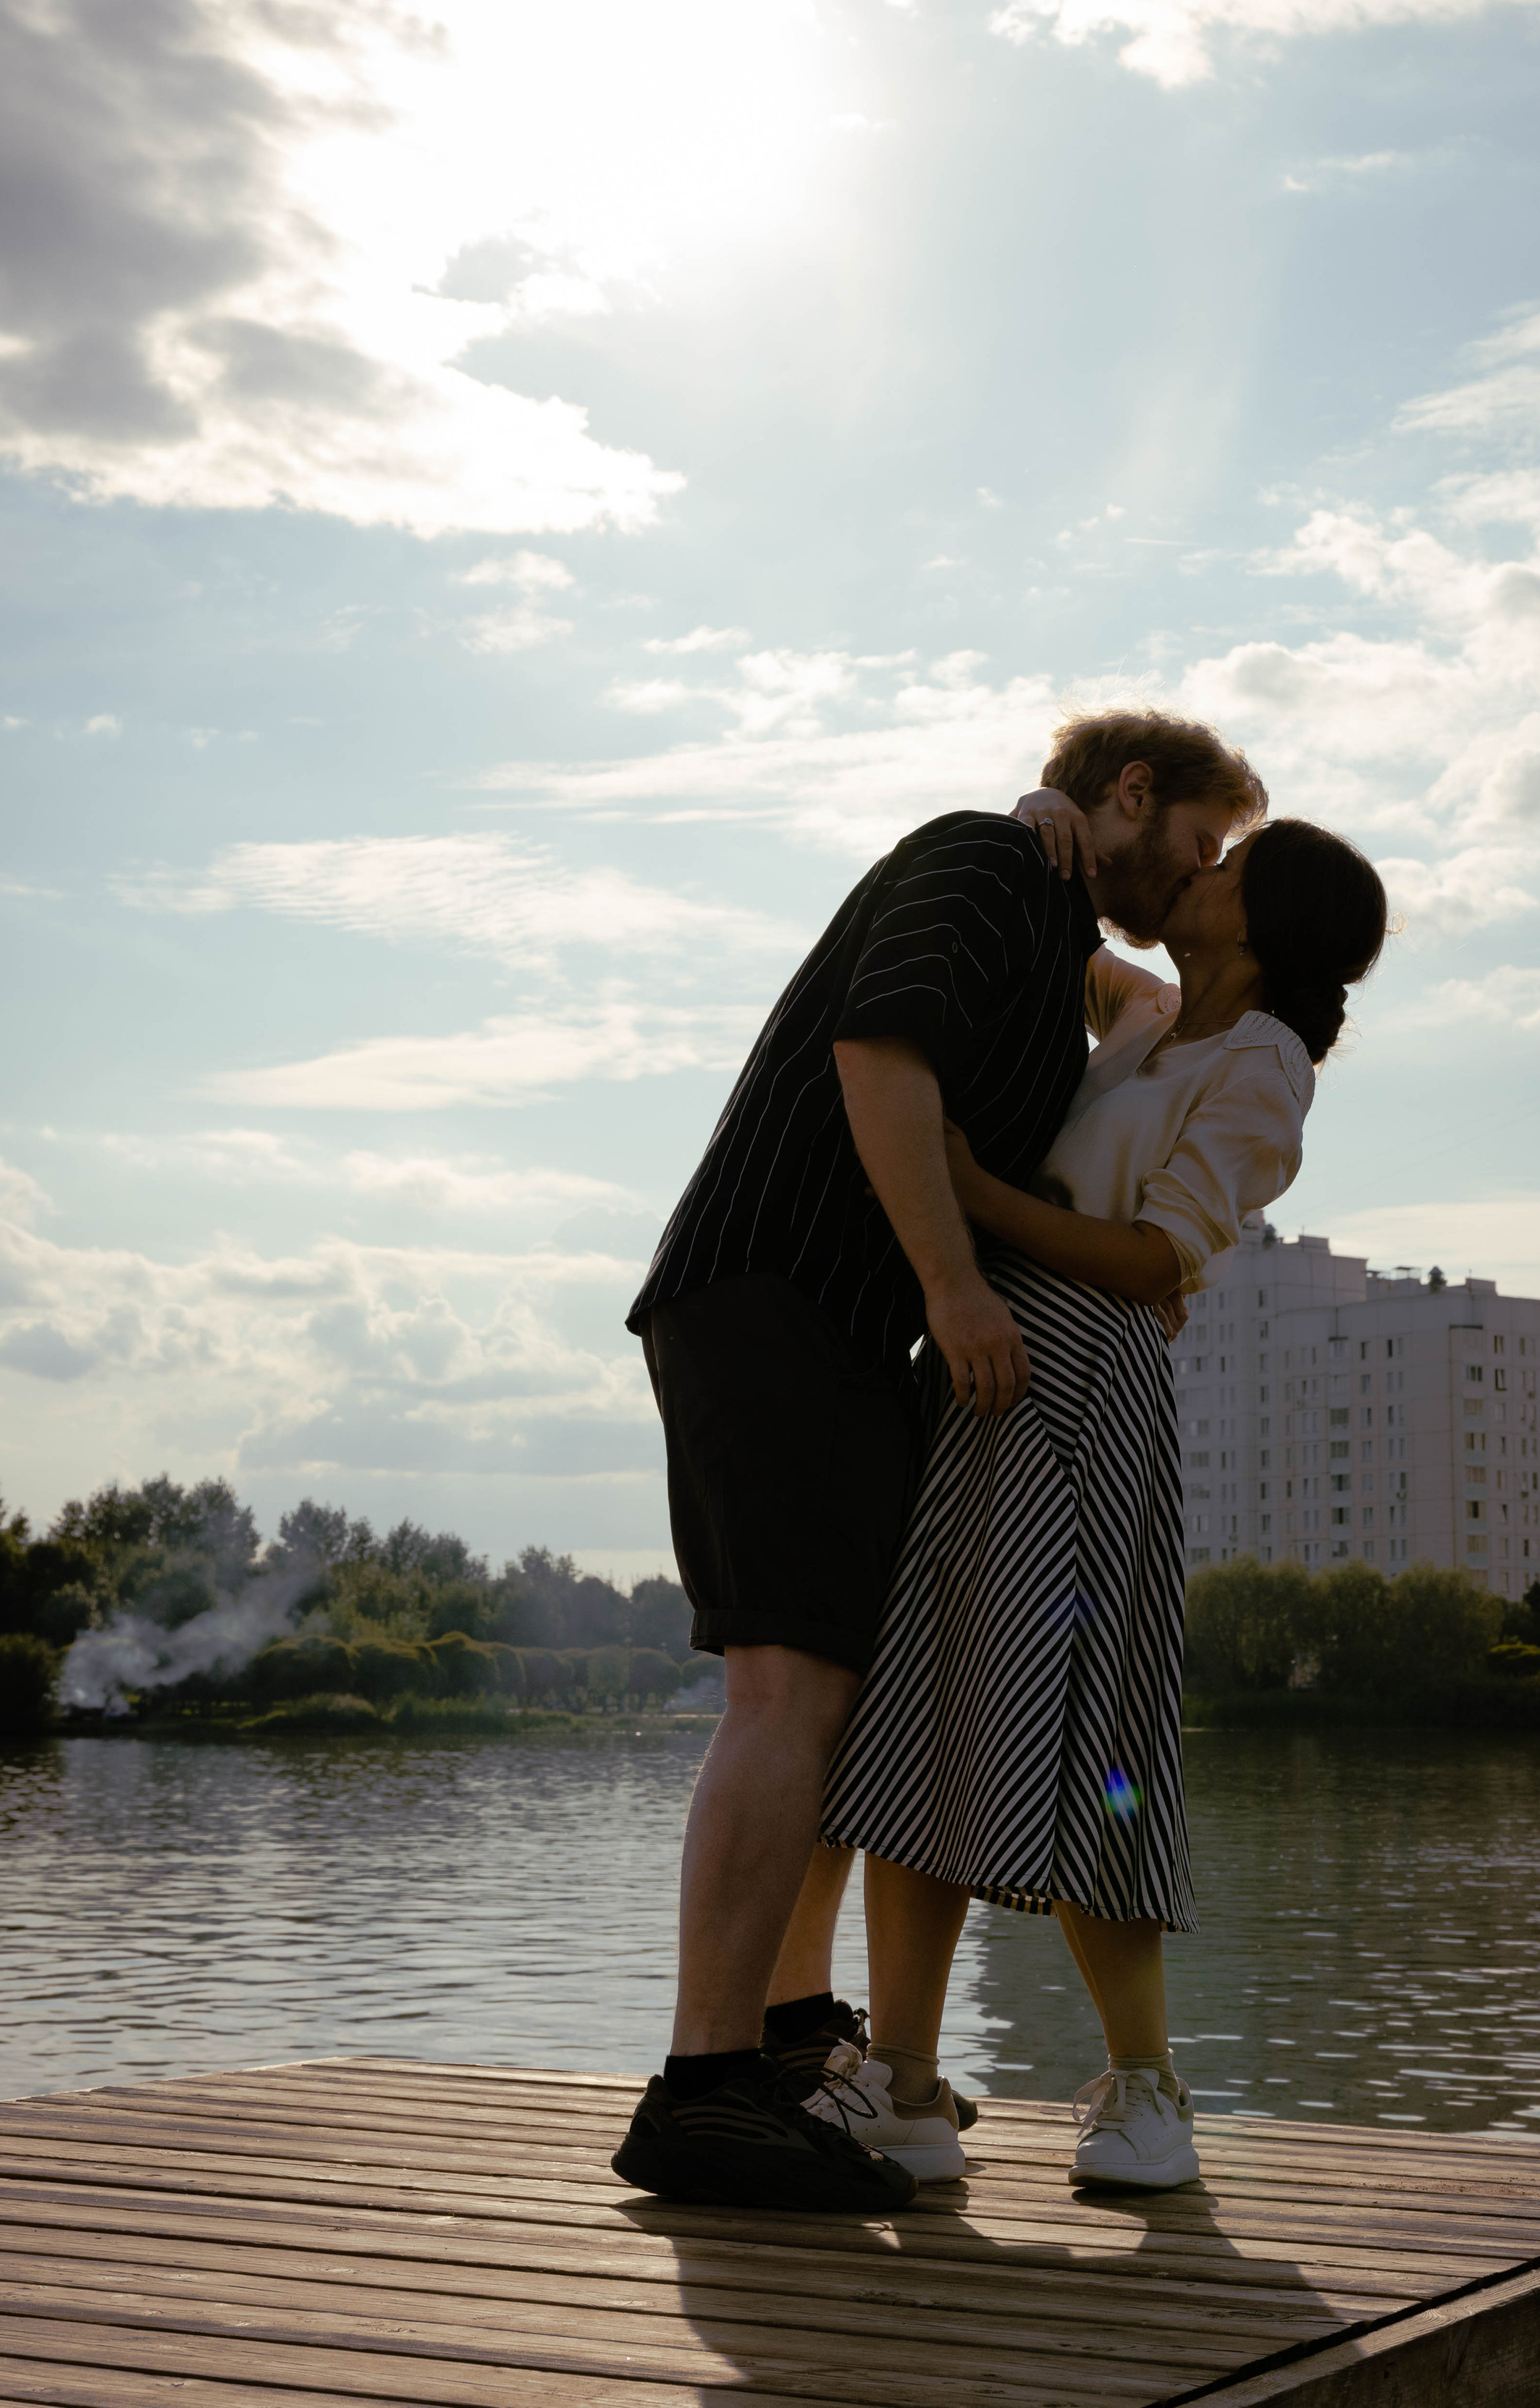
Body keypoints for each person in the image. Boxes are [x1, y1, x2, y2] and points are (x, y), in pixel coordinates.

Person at [612, 710, 1266, 2211]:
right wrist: (955, 1286)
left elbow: (1174, 1009)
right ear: (1130, 792)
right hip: (778, 1297)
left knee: (833, 1692)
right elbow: (876, 1050)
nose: (1195, 874)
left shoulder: (1050, 930)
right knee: (788, 1688)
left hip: (844, 1340)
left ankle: (779, 2048)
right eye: (1195, 840)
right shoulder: (984, 865)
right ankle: (705, 2087)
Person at [809, 808, 1388, 2189]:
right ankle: (901, 2078)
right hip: (985, 1363)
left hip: (1079, 1374)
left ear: (1270, 922)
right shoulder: (1151, 1019)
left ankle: (1148, 2093)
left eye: (1235, 865)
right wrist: (1046, 818)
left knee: (1089, 1733)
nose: (1206, 867)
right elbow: (1080, 928)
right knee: (930, 1710)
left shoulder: (1267, 1067)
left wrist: (971, 1194)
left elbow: (1152, 1260)